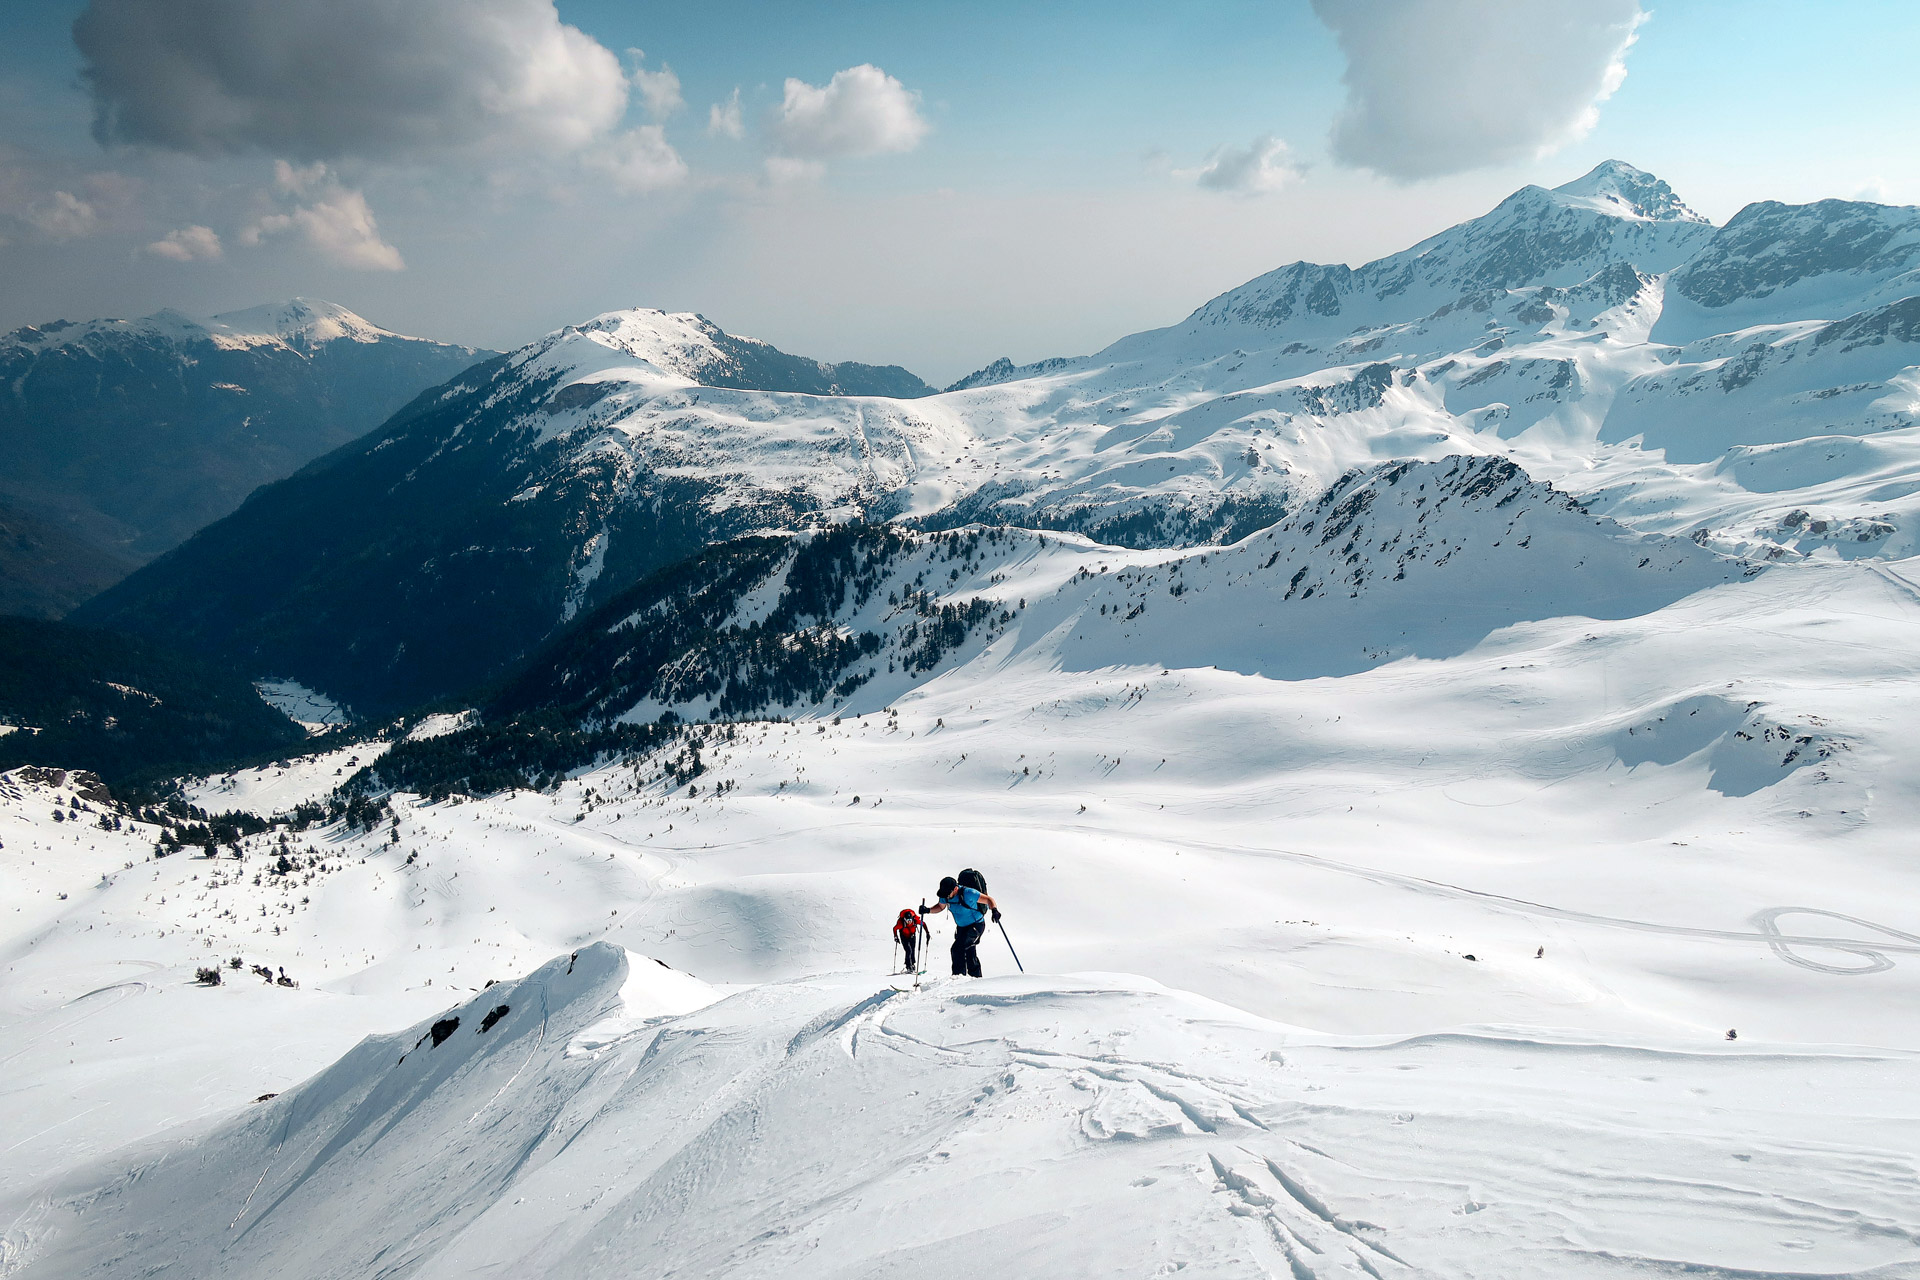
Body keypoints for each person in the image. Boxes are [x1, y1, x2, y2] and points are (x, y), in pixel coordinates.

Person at [924, 875, 999, 977]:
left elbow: (988, 899)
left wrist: (994, 910)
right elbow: (940, 907)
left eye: (947, 894)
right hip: (961, 928)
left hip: (976, 925)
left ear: (955, 888)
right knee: (969, 951)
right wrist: (928, 910)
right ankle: (976, 978)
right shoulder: (945, 895)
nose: (945, 897)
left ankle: (958, 977)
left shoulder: (969, 893)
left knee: (957, 949)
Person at [892, 907, 922, 972]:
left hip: (912, 935)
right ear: (905, 919)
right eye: (907, 920)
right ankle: (908, 966)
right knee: (908, 950)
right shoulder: (901, 924)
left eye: (910, 920)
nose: (909, 922)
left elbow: (923, 923)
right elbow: (894, 928)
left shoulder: (915, 921)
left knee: (913, 949)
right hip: (904, 936)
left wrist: (927, 933)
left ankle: (912, 964)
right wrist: (896, 937)